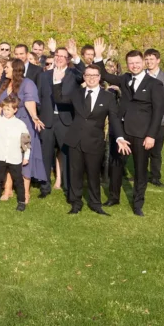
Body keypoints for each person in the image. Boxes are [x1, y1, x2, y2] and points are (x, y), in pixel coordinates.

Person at [93, 39, 164, 216]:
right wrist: (99, 56)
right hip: (122, 131)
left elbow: (158, 112)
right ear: (127, 64)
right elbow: (103, 75)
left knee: (140, 170)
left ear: (143, 63)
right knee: (115, 166)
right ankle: (113, 197)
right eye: (131, 63)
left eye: (137, 63)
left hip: (142, 134)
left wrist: (151, 136)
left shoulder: (155, 84)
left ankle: (138, 203)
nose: (134, 66)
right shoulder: (125, 78)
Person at [53, 65, 132, 216]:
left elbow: (114, 119)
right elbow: (59, 98)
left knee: (93, 174)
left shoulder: (108, 97)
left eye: (94, 75)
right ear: (84, 77)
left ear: (99, 77)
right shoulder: (77, 93)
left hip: (95, 142)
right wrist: (57, 81)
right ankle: (76, 203)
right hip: (75, 141)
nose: (91, 78)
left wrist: (120, 137)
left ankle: (95, 204)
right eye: (88, 75)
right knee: (75, 174)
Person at [0, 59, 48, 203]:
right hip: (6, 126)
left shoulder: (28, 84)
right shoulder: (6, 84)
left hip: (24, 126)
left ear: (15, 69)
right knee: (7, 157)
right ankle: (7, 190)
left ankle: (25, 193)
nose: (4, 69)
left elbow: (29, 102)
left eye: (6, 67)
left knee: (26, 159)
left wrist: (34, 117)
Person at [37, 47, 81, 199]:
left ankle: (68, 188)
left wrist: (76, 56)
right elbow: (39, 97)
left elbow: (84, 74)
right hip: (47, 121)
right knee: (45, 155)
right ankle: (45, 186)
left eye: (63, 56)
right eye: (57, 55)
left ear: (68, 59)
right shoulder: (44, 76)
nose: (60, 58)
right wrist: (38, 117)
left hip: (65, 120)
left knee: (67, 155)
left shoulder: (73, 74)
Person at [144, 48, 164, 188]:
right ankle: (141, 175)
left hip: (159, 122)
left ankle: (155, 177)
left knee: (156, 152)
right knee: (141, 151)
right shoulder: (140, 76)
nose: (149, 62)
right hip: (142, 120)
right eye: (147, 59)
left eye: (152, 59)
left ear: (158, 60)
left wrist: (161, 120)